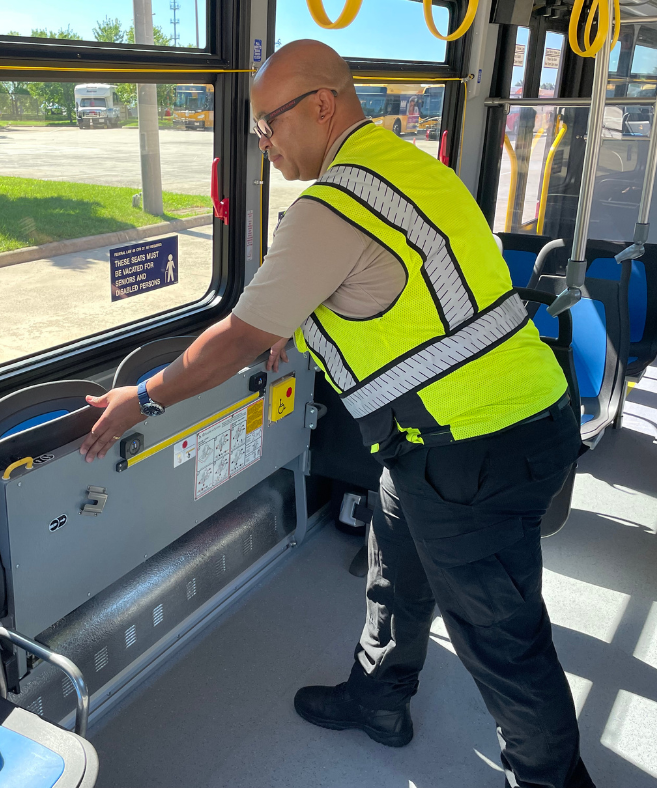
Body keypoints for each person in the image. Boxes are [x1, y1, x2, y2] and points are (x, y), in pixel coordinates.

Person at [80, 39, 593, 788]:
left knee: (503, 639)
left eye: (268, 124)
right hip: (488, 427)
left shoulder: (333, 205)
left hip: (475, 446)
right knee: (396, 560)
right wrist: (304, 325)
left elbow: (239, 337)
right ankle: (379, 697)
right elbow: (397, 295)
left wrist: (144, 398)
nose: (263, 144)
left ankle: (551, 781)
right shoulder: (409, 168)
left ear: (322, 105)